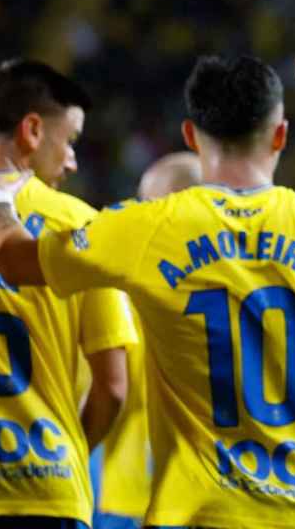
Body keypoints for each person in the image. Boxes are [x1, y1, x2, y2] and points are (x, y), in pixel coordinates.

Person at [0, 55, 295, 528]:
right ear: (280, 134)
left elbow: (14, 260)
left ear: (189, 136)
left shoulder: (147, 226)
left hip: (192, 511)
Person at [0, 60, 136, 529]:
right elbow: (112, 387)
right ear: (31, 130)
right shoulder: (80, 224)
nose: (71, 161)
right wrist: (63, 454)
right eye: (69, 141)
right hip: (46, 487)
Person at [91, 151, 202, 529]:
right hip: (189, 499)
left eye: (151, 207)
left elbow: (108, 391)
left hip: (133, 499)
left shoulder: (124, 288)